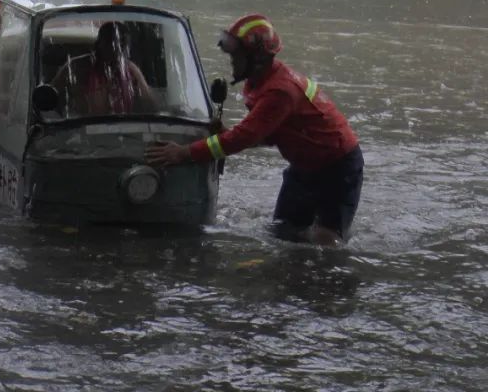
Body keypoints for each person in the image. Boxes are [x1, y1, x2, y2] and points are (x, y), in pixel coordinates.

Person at [144, 14, 363, 246]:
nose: (231, 61)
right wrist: (228, 134)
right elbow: (262, 133)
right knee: (283, 232)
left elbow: (243, 138)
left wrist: (184, 153)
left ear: (256, 58)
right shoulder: (258, 83)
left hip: (337, 168)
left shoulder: (279, 91)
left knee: (325, 242)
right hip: (304, 165)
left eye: (236, 56)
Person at [51, 21, 154, 117]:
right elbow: (47, 99)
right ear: (100, 43)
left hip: (122, 131)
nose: (117, 49)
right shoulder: (76, 67)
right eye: (111, 43)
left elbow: (150, 107)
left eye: (122, 45)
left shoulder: (130, 71)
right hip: (80, 131)